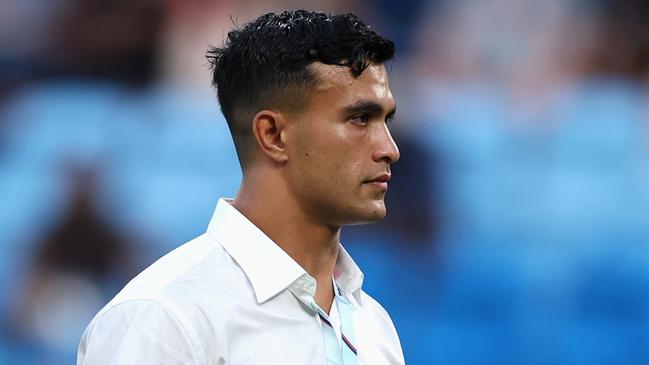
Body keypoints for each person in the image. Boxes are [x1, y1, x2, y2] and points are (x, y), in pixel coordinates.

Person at [78, 10, 404, 364]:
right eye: (360, 118)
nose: (389, 149)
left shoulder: (374, 324)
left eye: (385, 120)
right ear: (273, 135)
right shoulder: (165, 319)